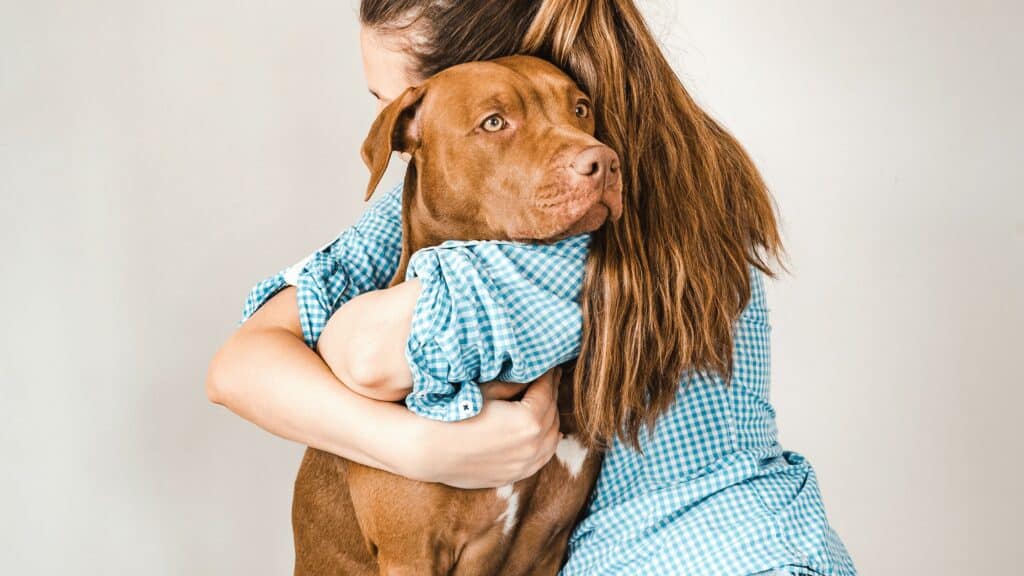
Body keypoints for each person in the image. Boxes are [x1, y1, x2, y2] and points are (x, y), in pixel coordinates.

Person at [206, 1, 856, 574]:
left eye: (388, 100)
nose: (395, 133)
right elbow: (239, 366)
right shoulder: (686, 151)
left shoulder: (559, 210)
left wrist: (387, 397)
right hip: (784, 538)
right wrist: (420, 446)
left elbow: (367, 356)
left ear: (493, 75)